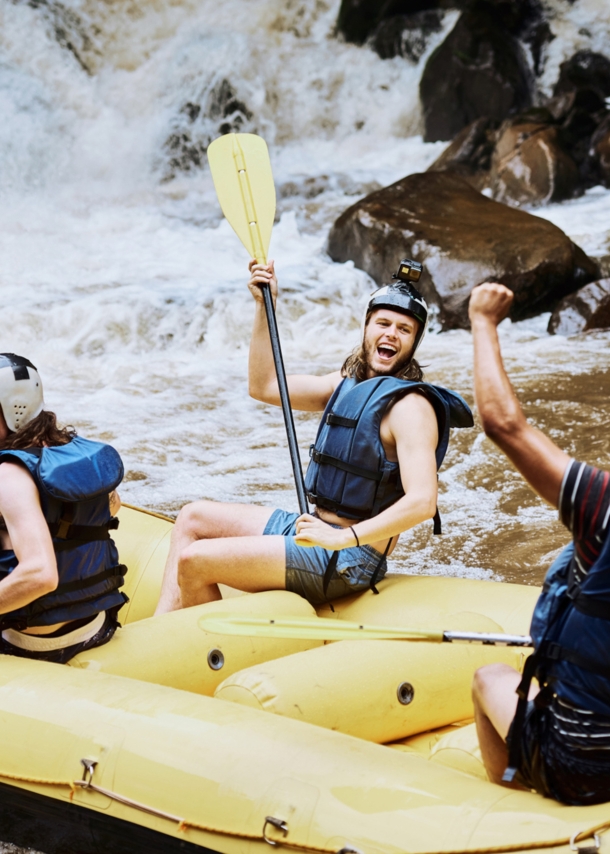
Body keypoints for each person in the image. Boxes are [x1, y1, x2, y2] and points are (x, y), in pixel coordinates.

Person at [156, 258, 472, 614]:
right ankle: (157, 634)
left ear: (413, 343)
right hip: (313, 529)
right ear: (366, 328)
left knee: (195, 560)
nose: (391, 334)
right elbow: (265, 386)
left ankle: (199, 660)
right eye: (383, 323)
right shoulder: (344, 384)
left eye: (404, 329)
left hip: (348, 556)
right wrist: (265, 306)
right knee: (191, 518)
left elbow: (422, 502)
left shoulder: (410, 407)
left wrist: (342, 538)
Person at [470, 283, 610, 806]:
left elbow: (504, 424)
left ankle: (508, 803)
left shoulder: (605, 508)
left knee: (489, 678)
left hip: (579, 766)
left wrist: (483, 321)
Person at [0, 353, 128, 664]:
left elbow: (41, 574)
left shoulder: (8, 476)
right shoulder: (69, 450)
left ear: (11, 411)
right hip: (94, 624)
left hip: (32, 639)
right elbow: (113, 505)